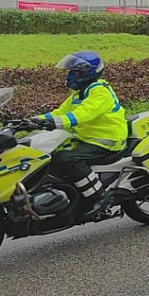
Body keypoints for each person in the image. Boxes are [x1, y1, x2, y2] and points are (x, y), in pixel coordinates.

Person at [31, 51, 128, 221]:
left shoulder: (100, 91)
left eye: (74, 72)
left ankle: (99, 197)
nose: (70, 76)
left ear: (88, 72)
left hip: (107, 140)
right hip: (86, 138)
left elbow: (83, 114)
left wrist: (55, 123)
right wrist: (32, 121)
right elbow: (60, 112)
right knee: (49, 157)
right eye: (70, 72)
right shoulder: (79, 93)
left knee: (67, 158)